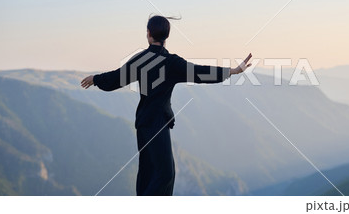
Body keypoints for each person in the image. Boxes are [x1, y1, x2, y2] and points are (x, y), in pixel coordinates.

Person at [80, 15, 252, 196]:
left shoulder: (141, 60)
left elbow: (115, 79)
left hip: (145, 122)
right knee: (165, 174)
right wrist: (232, 71)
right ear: (166, 36)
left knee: (149, 171)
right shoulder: (172, 63)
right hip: (158, 123)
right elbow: (201, 72)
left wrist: (96, 79)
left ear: (148, 34)